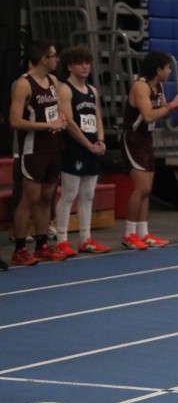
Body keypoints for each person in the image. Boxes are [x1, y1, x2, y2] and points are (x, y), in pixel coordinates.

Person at [121, 52, 178, 249]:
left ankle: (143, 233)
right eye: (167, 68)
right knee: (142, 187)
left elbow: (164, 111)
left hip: (146, 138)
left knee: (147, 189)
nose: (169, 72)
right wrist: (172, 104)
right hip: (133, 138)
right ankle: (129, 233)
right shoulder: (141, 86)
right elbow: (149, 116)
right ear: (158, 70)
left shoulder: (158, 87)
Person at [9, 41, 67, 265]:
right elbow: (15, 121)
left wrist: (61, 121)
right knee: (29, 198)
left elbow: (57, 111)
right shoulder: (24, 84)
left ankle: (42, 244)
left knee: (46, 197)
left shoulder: (52, 80)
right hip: (34, 149)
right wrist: (46, 126)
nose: (57, 59)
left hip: (54, 146)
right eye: (54, 55)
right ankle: (20, 248)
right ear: (44, 59)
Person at [53, 46, 111, 256]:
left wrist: (101, 140)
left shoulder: (92, 90)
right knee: (69, 194)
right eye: (79, 63)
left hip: (92, 146)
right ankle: (61, 239)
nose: (85, 67)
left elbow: (97, 118)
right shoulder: (65, 89)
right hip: (74, 147)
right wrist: (88, 144)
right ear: (70, 67)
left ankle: (85, 239)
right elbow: (68, 122)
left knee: (88, 195)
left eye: (87, 63)